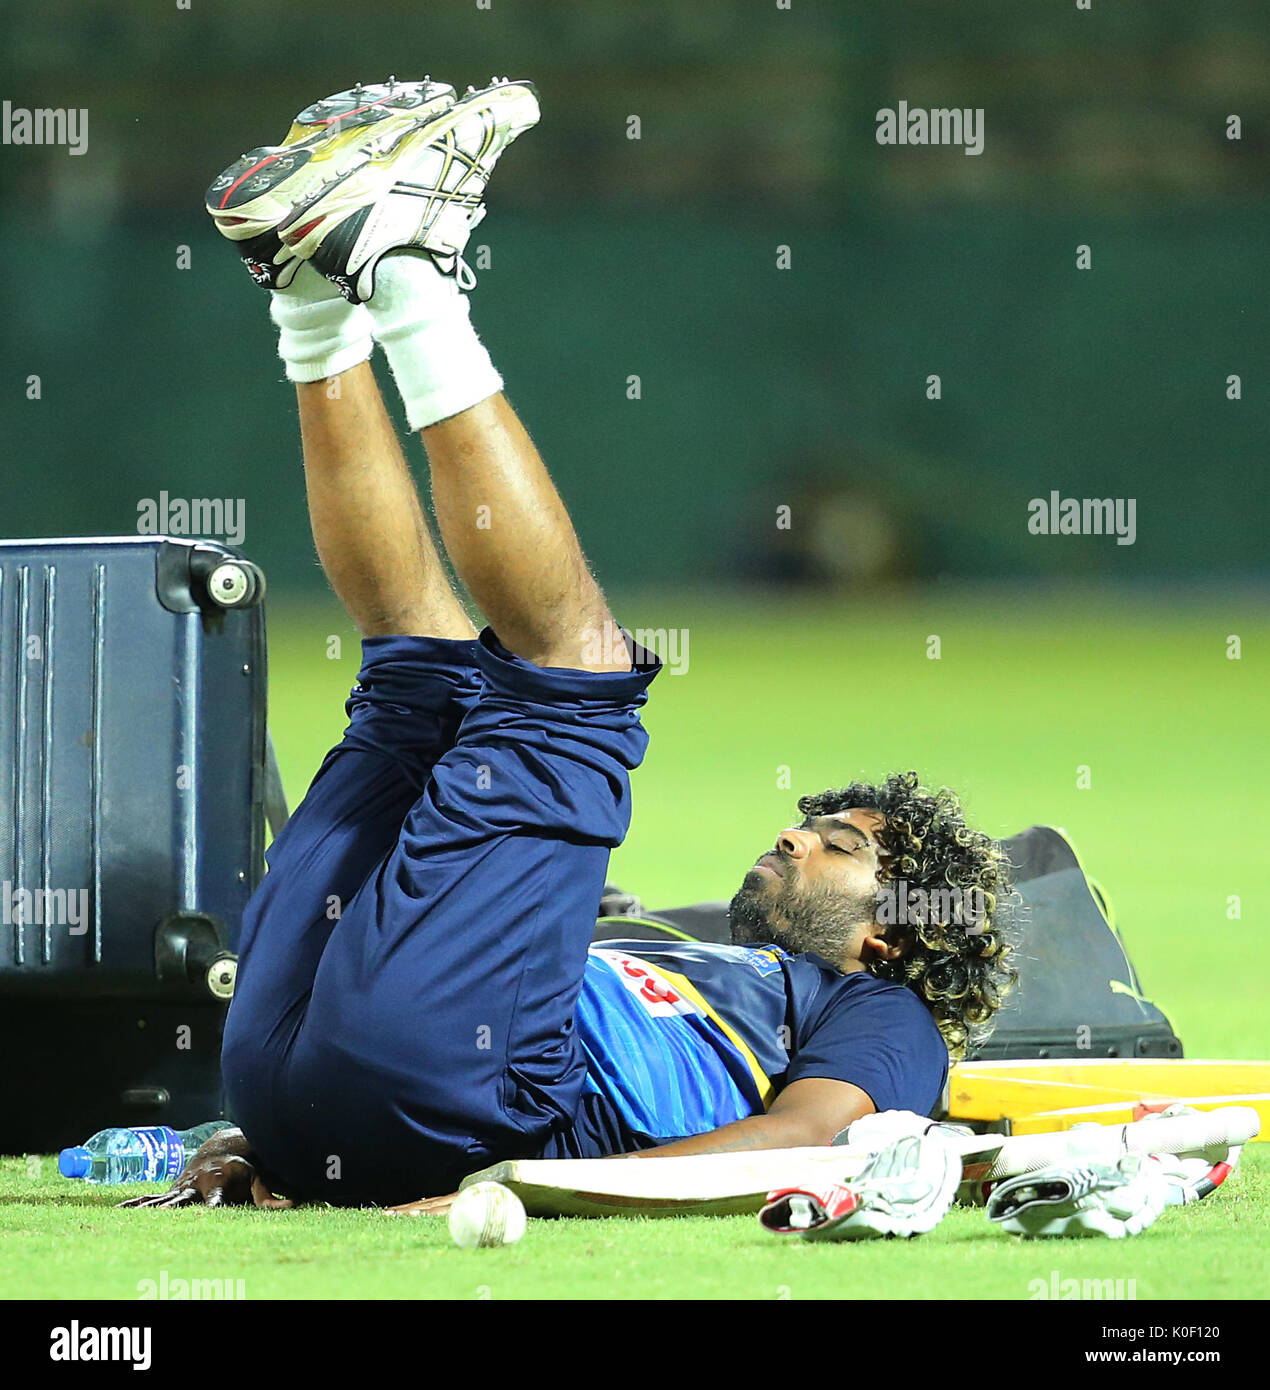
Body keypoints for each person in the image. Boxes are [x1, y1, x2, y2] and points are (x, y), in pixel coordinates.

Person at [123, 77, 1014, 1212]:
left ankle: (406, 267)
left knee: (579, 678)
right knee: (418, 670)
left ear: (895, 934)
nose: (794, 832)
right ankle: (310, 291)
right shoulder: (683, 949)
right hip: (290, 1075)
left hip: (453, 1099)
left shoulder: (879, 1018)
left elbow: (805, 1142)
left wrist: (525, 1184)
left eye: (841, 842)